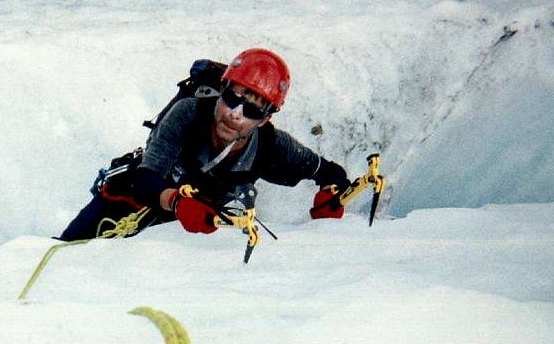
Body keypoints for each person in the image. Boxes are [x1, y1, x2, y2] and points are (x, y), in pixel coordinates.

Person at [58, 48, 351, 241]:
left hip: (184, 234)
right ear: (222, 90)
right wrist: (176, 201)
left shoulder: (272, 145)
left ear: (264, 120)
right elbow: (145, 178)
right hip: (128, 204)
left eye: (252, 110)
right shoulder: (188, 113)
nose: (235, 114)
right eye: (233, 99)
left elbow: (329, 172)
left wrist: (331, 192)